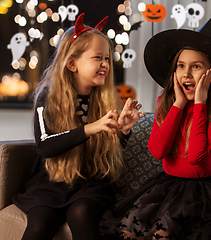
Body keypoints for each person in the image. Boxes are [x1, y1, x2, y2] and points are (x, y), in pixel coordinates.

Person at [98, 5, 211, 240]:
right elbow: (157, 151)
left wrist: (199, 103)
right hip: (166, 187)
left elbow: (196, 157)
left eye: (196, 66)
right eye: (181, 66)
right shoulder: (166, 100)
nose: (186, 73)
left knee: (162, 235)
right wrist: (177, 105)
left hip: (203, 193)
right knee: (127, 231)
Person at [12, 13, 145, 240]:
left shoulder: (105, 99)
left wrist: (123, 132)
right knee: (38, 225)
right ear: (72, 63)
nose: (105, 64)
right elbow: (45, 147)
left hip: (89, 183)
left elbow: (109, 155)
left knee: (81, 212)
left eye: (107, 58)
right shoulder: (47, 96)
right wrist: (90, 128)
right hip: (52, 182)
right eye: (97, 58)